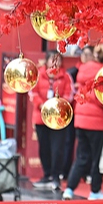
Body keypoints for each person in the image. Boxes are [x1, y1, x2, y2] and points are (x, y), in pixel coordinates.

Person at [62, 43, 103, 200]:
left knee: (81, 156)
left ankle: (69, 189)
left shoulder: (83, 69)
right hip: (97, 121)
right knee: (97, 158)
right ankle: (95, 191)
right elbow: (102, 99)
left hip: (80, 119)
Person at [30, 51, 72, 190]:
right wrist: (43, 106)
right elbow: (33, 93)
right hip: (41, 117)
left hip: (58, 118)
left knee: (58, 148)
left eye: (58, 60)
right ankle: (47, 174)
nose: (55, 63)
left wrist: (56, 107)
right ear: (46, 61)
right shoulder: (38, 75)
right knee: (44, 147)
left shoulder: (66, 76)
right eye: (52, 60)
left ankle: (55, 176)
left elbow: (69, 95)